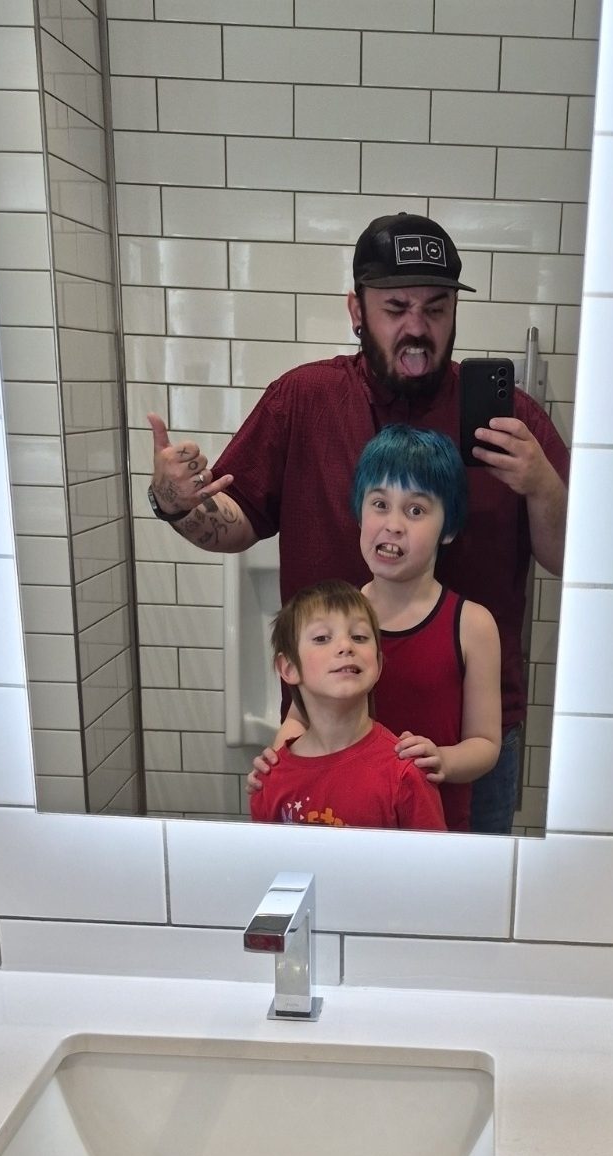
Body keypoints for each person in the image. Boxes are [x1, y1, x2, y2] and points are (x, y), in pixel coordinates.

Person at [147, 211, 569, 833]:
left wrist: (542, 484)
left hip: (467, 741)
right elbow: (237, 520)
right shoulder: (304, 401)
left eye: (436, 308)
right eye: (395, 307)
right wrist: (177, 501)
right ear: (356, 310)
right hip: (328, 728)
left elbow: (569, 558)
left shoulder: (514, 422)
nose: (417, 327)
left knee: (460, 893)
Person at [248, 425, 502, 831]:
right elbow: (299, 715)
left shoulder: (472, 625)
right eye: (380, 504)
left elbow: (486, 743)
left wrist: (443, 759)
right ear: (359, 513)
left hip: (432, 827)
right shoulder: (337, 620)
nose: (394, 524)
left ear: (449, 528)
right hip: (344, 818)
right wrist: (278, 761)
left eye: (415, 510)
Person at [248, 579, 446, 831]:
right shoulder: (270, 779)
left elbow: (434, 857)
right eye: (322, 638)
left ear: (378, 664)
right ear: (289, 668)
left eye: (359, 637)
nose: (345, 646)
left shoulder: (405, 773)